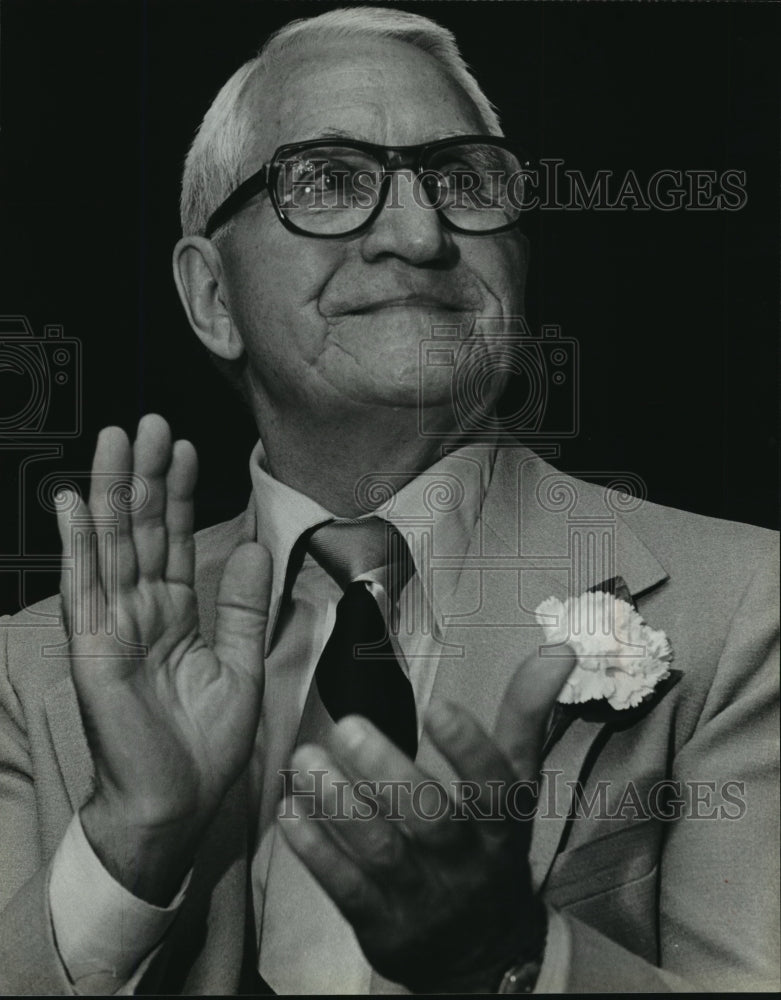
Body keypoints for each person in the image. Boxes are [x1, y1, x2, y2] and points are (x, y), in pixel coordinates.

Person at [0, 6, 778, 994]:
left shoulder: (742, 607)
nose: (419, 234)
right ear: (211, 298)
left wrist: (512, 957)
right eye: (326, 181)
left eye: (461, 181)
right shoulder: (36, 669)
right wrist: (129, 842)